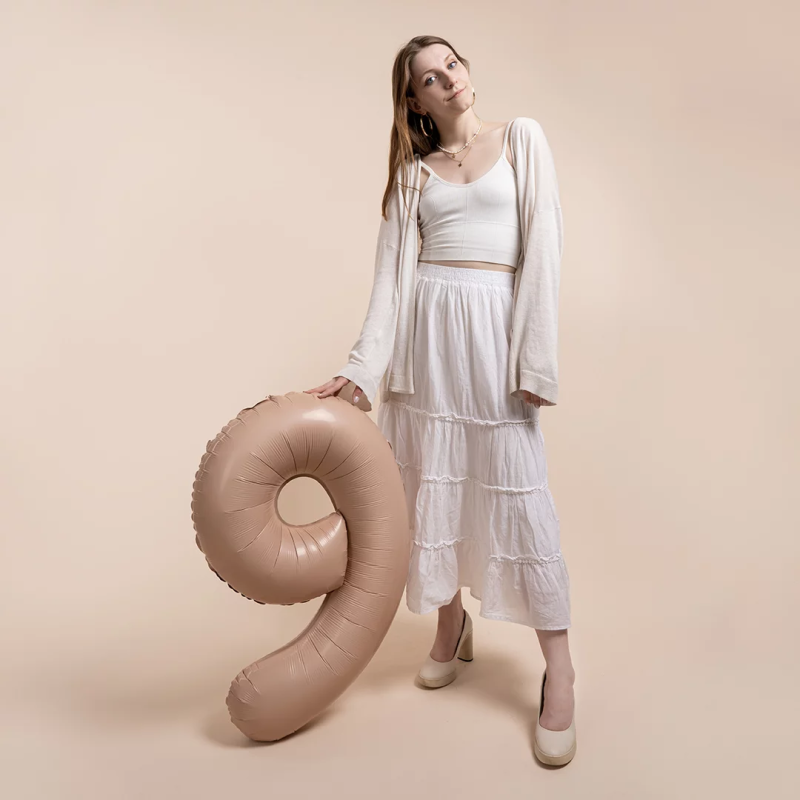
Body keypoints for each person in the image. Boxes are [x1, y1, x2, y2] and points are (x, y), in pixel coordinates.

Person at [306, 35, 576, 765]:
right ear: (415, 101)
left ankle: (559, 671)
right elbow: (389, 283)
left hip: (494, 338)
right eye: (430, 77)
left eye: (451, 64)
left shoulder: (522, 139)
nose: (448, 79)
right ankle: (451, 627)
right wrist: (360, 371)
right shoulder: (411, 176)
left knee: (518, 495)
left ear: (466, 71)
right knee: (432, 487)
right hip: (428, 350)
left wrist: (535, 360)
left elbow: (545, 247)